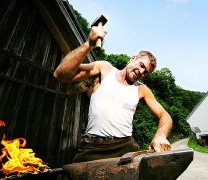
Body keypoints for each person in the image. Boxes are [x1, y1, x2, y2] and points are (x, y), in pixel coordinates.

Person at [53, 25, 173, 163]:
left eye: (145, 72)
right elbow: (61, 75)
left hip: (125, 147)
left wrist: (160, 135)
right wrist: (88, 45)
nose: (141, 71)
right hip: (92, 146)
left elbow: (165, 116)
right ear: (132, 58)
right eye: (141, 65)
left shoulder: (141, 89)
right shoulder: (104, 68)